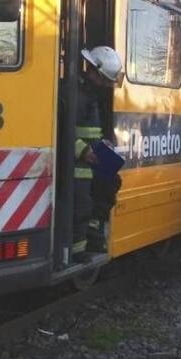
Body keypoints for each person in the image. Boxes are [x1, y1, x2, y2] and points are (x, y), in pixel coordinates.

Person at [71, 46, 123, 259]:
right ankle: (76, 252)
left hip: (91, 158)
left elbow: (90, 128)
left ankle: (93, 231)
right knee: (81, 204)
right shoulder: (74, 94)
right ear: (93, 71)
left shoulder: (89, 94)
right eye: (102, 79)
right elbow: (60, 129)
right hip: (76, 163)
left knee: (111, 182)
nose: (104, 85)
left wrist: (104, 143)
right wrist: (82, 150)